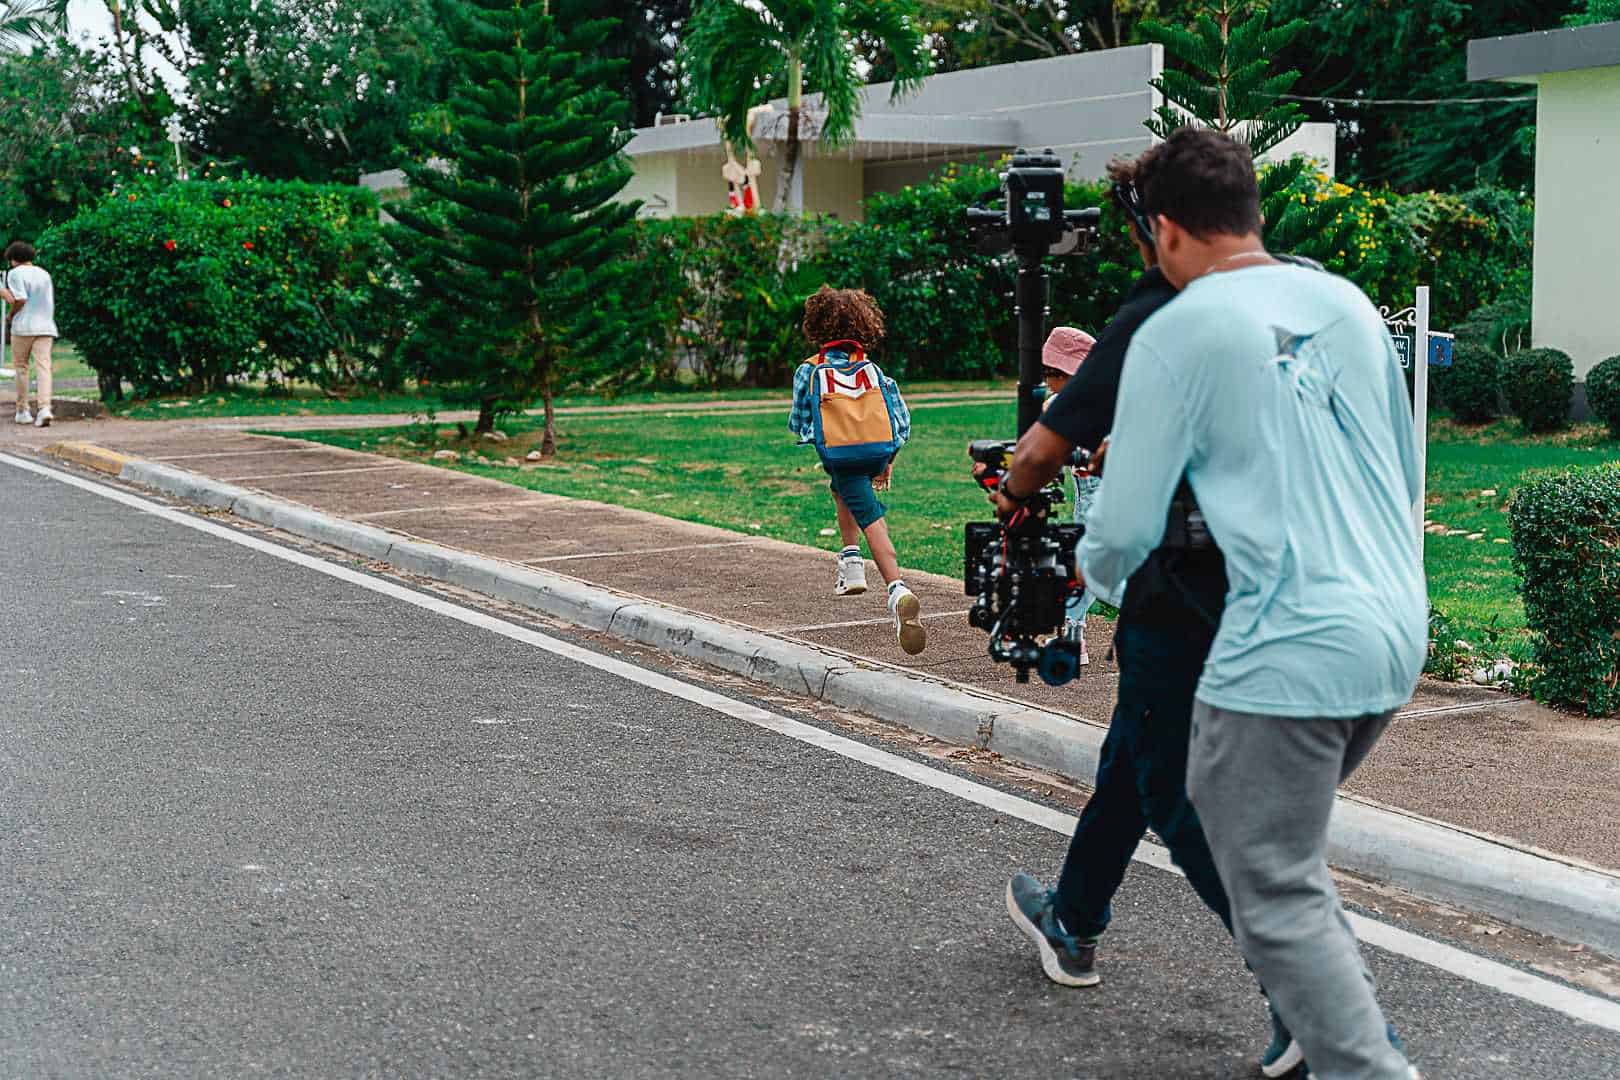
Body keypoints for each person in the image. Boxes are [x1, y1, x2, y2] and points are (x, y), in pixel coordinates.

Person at [1077, 127, 1427, 1080]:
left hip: (1286, 647)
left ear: (1164, 229)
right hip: (1392, 634)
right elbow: (1401, 473)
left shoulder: (1176, 328)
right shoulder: (1346, 303)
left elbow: (1123, 528)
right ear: (1249, 212)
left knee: (1269, 884)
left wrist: (1084, 576)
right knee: (1285, 869)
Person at [990, 156, 1304, 1078]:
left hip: (1190, 590)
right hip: (1298, 581)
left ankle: (1304, 992)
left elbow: (1042, 451)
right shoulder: (1307, 296)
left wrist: (1015, 489)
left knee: (1177, 791)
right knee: (1134, 754)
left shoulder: (1164, 311)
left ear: (1161, 229)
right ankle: (1073, 919)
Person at [788, 285, 925, 655]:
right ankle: (850, 562)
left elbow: (798, 422)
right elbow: (901, 420)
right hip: (877, 453)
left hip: (840, 455)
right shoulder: (871, 370)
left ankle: (897, 590)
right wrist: (888, 461)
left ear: (816, 326)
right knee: (841, 490)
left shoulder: (810, 370)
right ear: (865, 326)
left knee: (870, 518)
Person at [1037, 326, 1099, 666]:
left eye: (1054, 373)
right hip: (1089, 490)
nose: (1048, 380)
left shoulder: (1069, 404)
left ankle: (1074, 636)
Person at [3, 240, 57, 428]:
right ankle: (44, 408)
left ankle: (23, 410)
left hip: (23, 327)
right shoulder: (44, 273)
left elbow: (20, 299)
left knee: (21, 368)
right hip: (46, 326)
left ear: (13, 259)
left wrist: (10, 315)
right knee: (44, 367)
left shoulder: (15, 273)